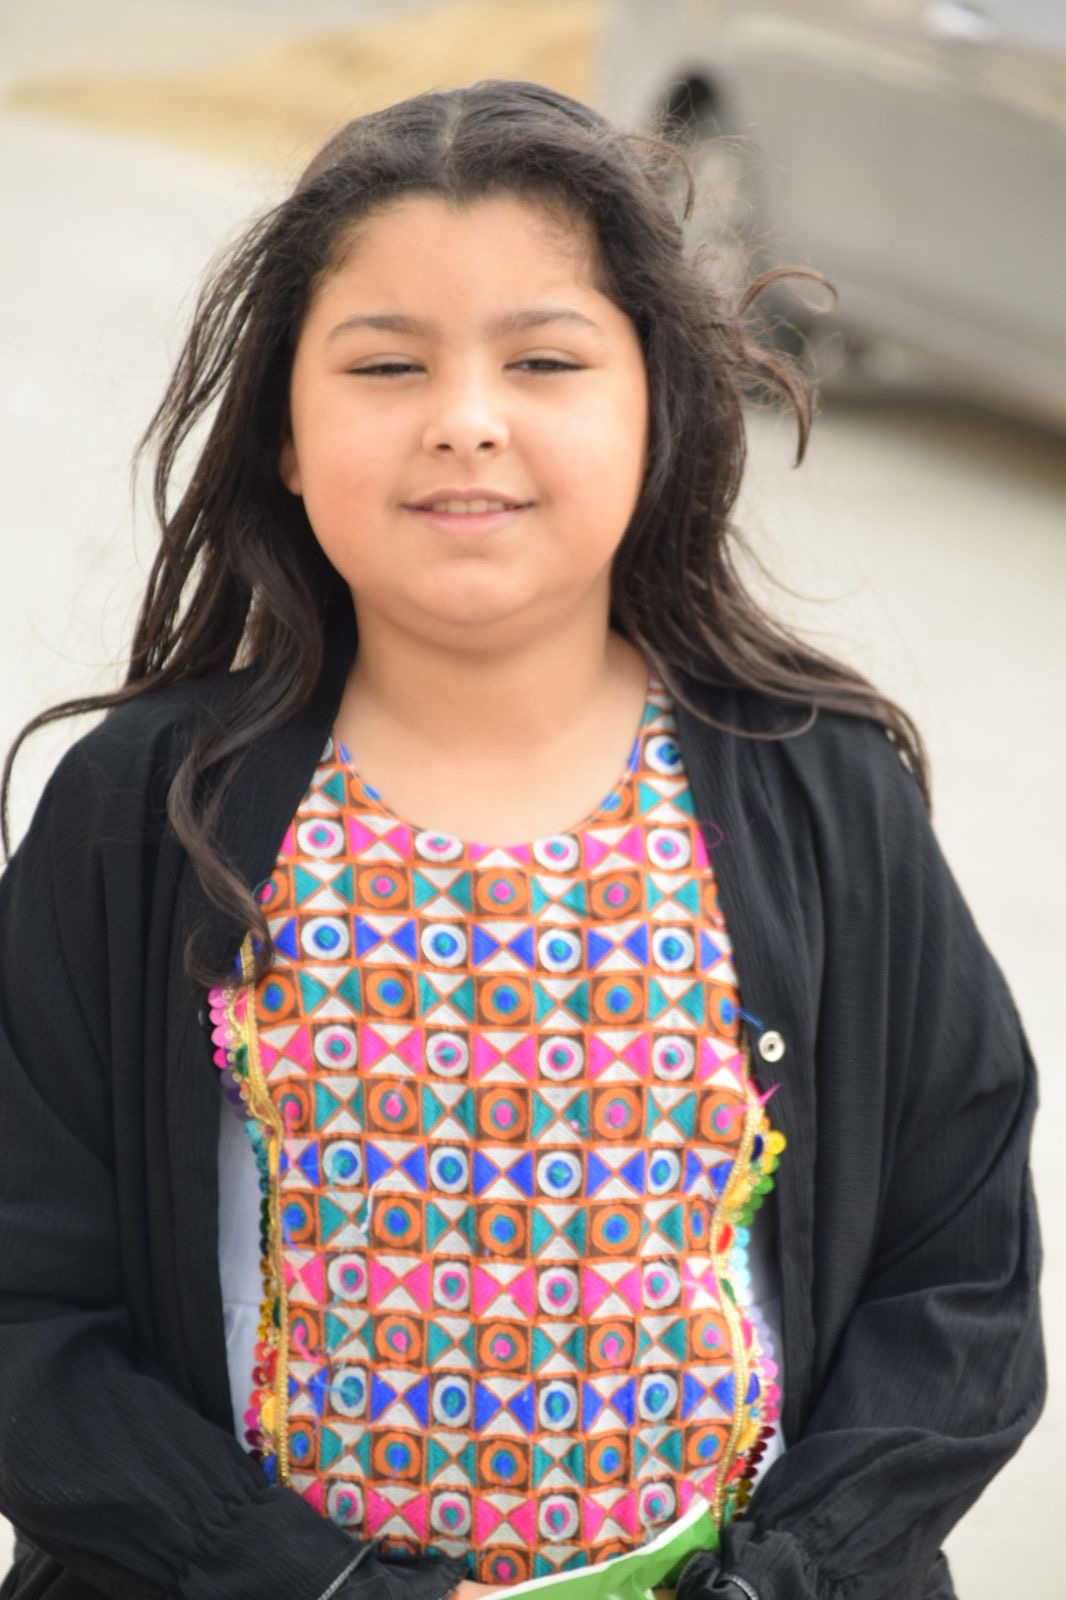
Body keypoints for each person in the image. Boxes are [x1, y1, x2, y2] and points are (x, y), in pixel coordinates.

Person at [0, 78, 1044, 1600]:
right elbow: (29, 1306)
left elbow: (957, 1281)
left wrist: (789, 1574)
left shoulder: (822, 794)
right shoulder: (145, 815)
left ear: (657, 408)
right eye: (386, 364)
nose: (465, 419)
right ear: (284, 431)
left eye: (545, 359)